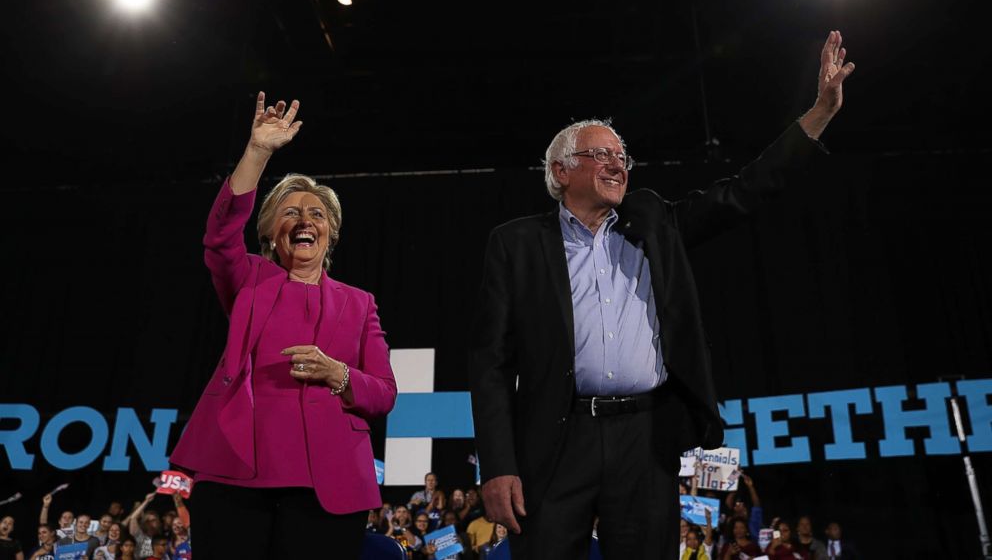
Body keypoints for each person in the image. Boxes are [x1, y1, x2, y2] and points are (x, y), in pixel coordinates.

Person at [469, 31, 856, 559]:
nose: (617, 162)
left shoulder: (652, 221)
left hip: (644, 438)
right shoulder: (515, 243)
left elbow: (742, 192)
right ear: (560, 171)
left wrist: (818, 114)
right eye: (600, 153)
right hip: (557, 442)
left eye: (622, 154)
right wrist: (497, 465)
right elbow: (490, 362)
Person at [167, 92, 398, 558]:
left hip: (328, 481)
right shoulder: (250, 278)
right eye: (290, 212)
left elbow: (384, 393)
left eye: (316, 213)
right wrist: (257, 152)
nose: (304, 220)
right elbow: (219, 236)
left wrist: (339, 374)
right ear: (271, 231)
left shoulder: (359, 303)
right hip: (236, 470)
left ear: (330, 231)